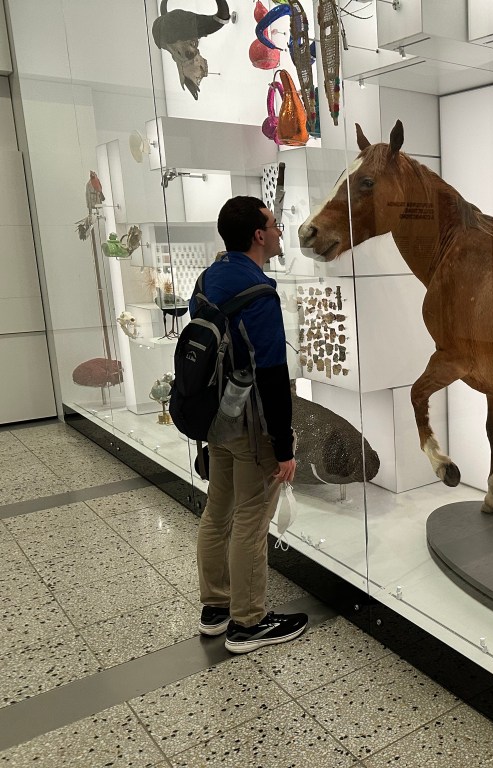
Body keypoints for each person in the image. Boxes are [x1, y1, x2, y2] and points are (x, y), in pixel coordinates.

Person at [193, 196, 306, 653]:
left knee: (218, 511)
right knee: (252, 518)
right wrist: (283, 447)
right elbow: (273, 375)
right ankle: (248, 622)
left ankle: (215, 608)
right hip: (251, 424)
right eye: (274, 224)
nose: (279, 231)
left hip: (215, 418)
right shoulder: (260, 294)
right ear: (259, 235)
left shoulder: (208, 279)